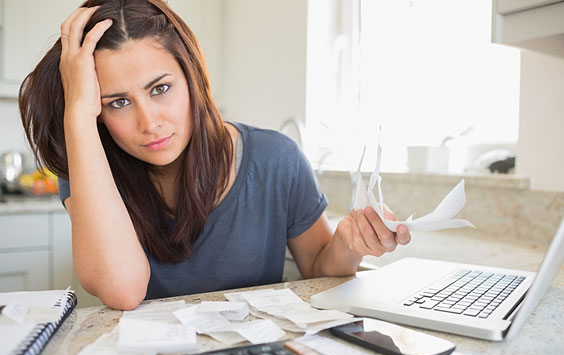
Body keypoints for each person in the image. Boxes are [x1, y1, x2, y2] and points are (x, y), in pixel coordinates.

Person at [19, 0, 411, 310]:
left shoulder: (276, 160)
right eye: (118, 102)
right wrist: (77, 112)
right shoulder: (91, 169)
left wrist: (347, 244)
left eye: (160, 89)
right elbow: (123, 291)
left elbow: (319, 272)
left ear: (192, 78)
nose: (149, 122)